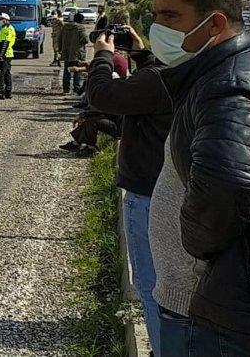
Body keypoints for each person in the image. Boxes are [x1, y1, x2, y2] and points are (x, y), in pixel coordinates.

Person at [144, 0, 250, 353]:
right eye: (155, 16)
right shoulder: (215, 72)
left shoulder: (226, 87)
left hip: (199, 303)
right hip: (204, 297)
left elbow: (229, 185)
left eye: (171, 17)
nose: (158, 28)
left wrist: (195, 257)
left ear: (215, 23)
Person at [72, 26, 172, 353]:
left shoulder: (167, 78)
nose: (158, 25)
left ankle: (161, 347)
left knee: (152, 288)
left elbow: (102, 95)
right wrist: (143, 55)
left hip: (149, 192)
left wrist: (102, 54)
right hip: (167, 188)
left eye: (168, 16)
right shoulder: (201, 70)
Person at [58, 12, 89, 95]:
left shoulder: (65, 27)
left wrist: (60, 49)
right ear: (81, 20)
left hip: (66, 52)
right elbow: (85, 39)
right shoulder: (80, 27)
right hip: (77, 53)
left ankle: (65, 89)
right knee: (77, 71)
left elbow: (59, 39)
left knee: (66, 70)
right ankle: (76, 89)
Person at [0, 13, 16, 100]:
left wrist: (1, 55)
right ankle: (7, 93)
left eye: (0, 19)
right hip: (7, 54)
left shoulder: (8, 29)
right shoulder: (4, 28)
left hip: (4, 55)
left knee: (0, 74)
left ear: (5, 20)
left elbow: (5, 43)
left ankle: (0, 93)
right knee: (6, 74)